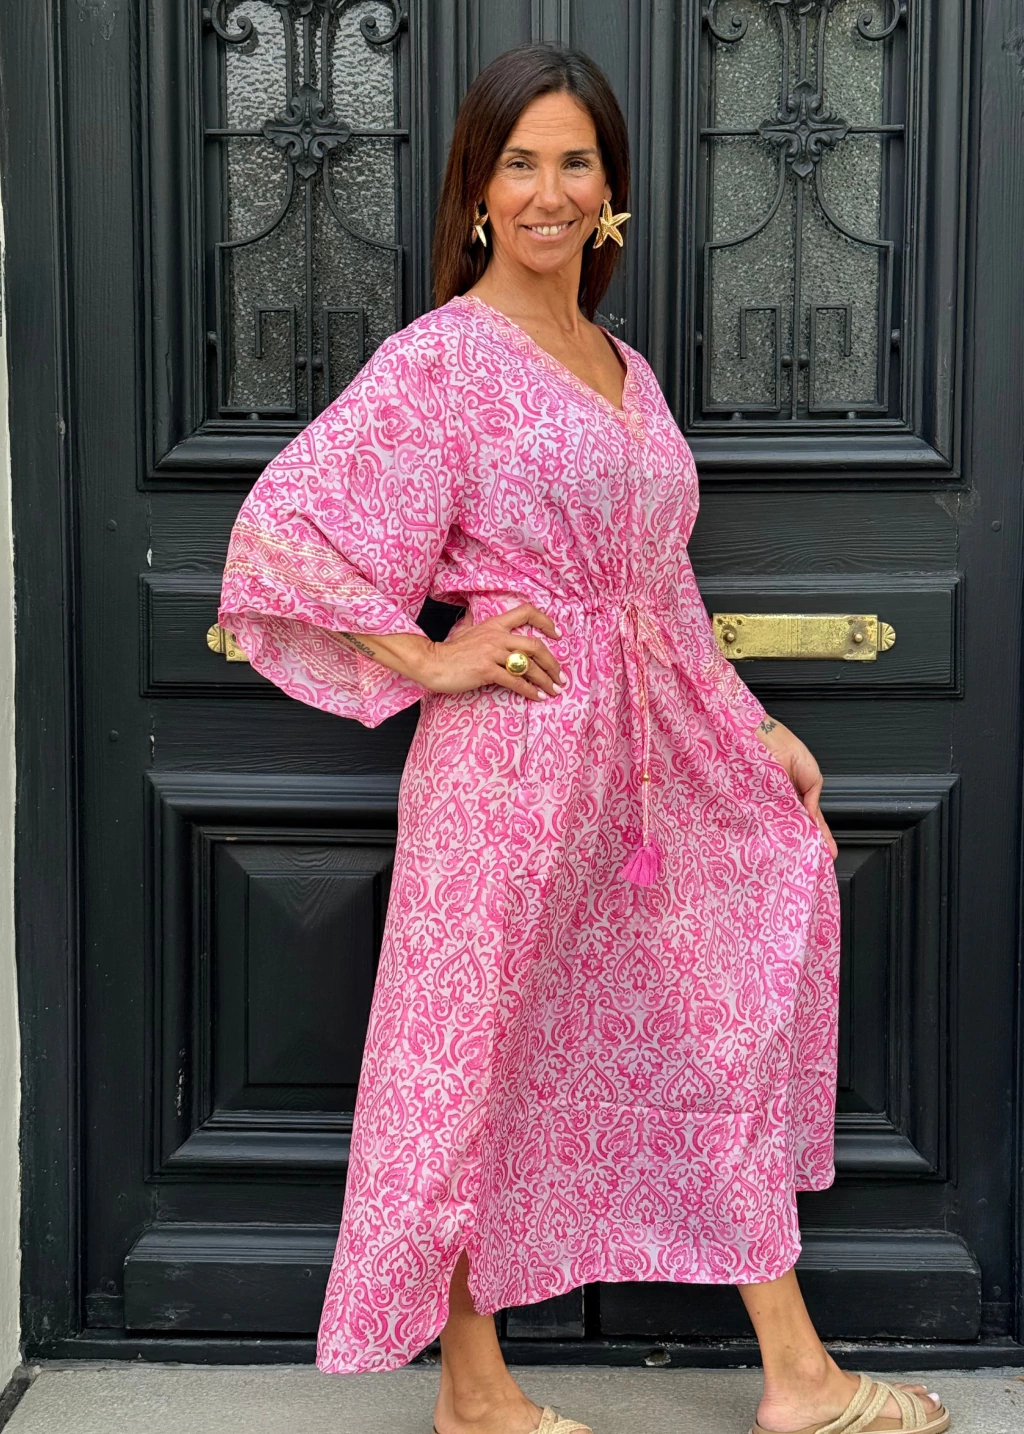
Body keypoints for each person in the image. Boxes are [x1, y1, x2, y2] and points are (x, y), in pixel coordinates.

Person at [218, 41, 951, 1434]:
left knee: (713, 1027)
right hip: (508, 770)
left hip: (653, 770)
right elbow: (286, 537)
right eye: (520, 162)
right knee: (475, 1062)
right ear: (477, 189)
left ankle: (796, 1374)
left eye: (574, 161)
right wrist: (431, 653)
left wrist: (756, 723)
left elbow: (662, 586)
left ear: (609, 187)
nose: (548, 191)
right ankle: (475, 1390)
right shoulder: (439, 363)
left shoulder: (625, 366)